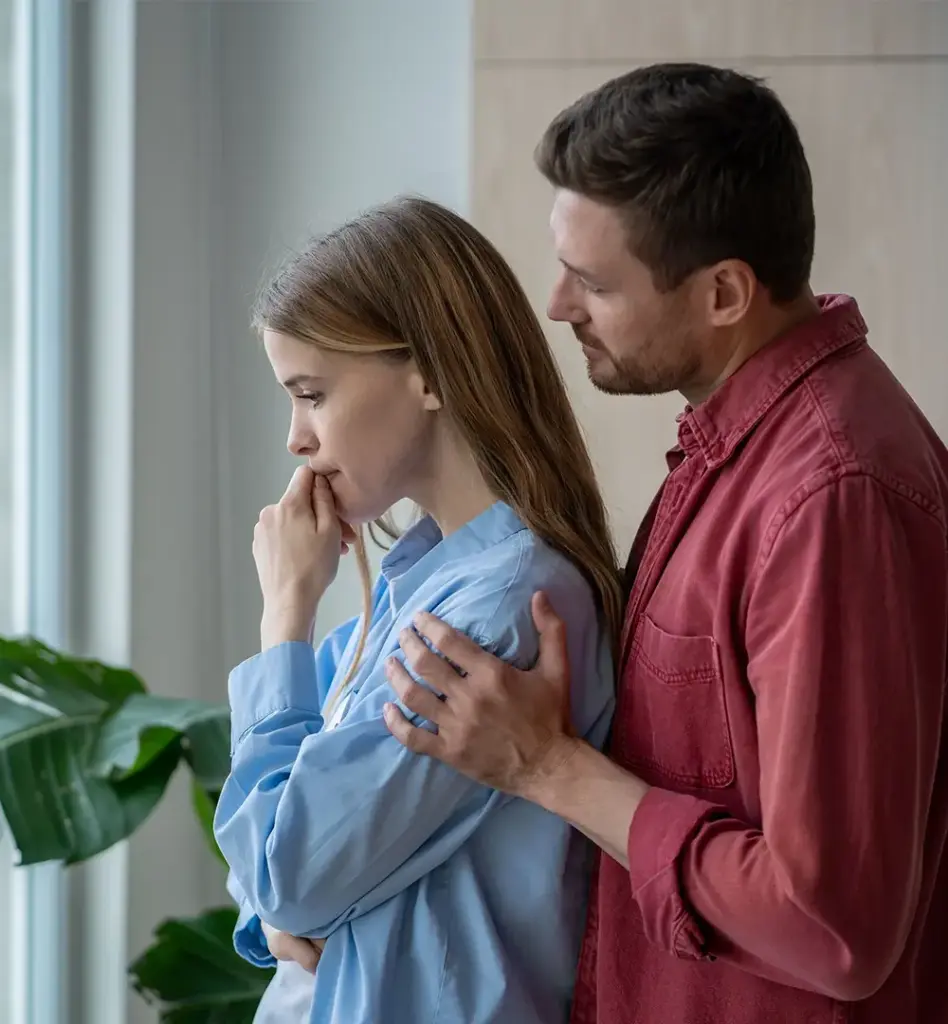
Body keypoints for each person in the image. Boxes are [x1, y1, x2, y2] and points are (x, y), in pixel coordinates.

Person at [384, 63, 948, 1024]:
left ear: (725, 292)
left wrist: (549, 767)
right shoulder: (745, 448)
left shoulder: (827, 499)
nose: (558, 305)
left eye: (594, 281)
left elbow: (835, 927)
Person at [212, 197, 620, 1024]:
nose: (295, 438)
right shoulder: (417, 591)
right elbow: (268, 875)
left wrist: (284, 615)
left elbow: (288, 869)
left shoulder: (496, 612)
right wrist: (279, 908)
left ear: (429, 373)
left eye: (313, 393)